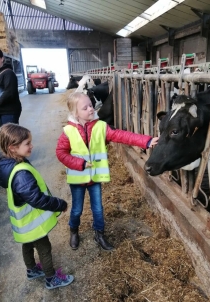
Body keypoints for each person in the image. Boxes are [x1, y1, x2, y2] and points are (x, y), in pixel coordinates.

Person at [56, 91, 159, 251]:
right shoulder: (68, 132)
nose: (91, 109)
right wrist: (80, 164)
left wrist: (146, 141)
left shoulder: (100, 126)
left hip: (95, 177)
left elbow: (121, 135)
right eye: (85, 108)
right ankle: (74, 230)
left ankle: (100, 234)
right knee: (77, 209)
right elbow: (61, 153)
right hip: (78, 179)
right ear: (76, 113)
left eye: (91, 105)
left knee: (98, 208)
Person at [0, 123, 74, 290]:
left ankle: (31, 269)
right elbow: (37, 199)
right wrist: (59, 204)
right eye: (27, 144)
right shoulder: (21, 173)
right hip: (33, 222)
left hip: (24, 225)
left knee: (27, 243)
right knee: (44, 248)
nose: (32, 146)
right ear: (13, 148)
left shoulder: (8, 165)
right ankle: (51, 279)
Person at [0, 48, 22, 126]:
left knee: (10, 137)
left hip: (9, 112)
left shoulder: (8, 73)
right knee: (6, 136)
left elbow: (8, 93)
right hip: (1, 111)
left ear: (2, 59)